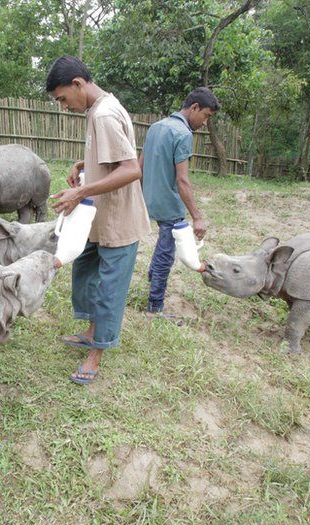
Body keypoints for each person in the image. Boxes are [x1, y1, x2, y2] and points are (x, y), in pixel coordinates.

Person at [46, 56, 150, 385]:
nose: (63, 107)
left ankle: (98, 351)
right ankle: (92, 331)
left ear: (78, 84)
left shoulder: (103, 114)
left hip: (118, 219)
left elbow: (131, 168)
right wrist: (83, 164)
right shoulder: (98, 109)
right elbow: (112, 156)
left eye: (63, 99)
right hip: (97, 215)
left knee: (108, 289)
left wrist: (80, 192)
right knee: (85, 270)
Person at [139, 87, 218, 318]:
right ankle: (155, 307)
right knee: (166, 254)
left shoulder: (155, 127)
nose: (204, 123)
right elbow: (182, 180)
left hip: (149, 200)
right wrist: (197, 217)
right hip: (170, 206)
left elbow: (139, 166)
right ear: (194, 107)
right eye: (205, 116)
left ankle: (152, 278)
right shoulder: (183, 134)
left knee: (162, 245)